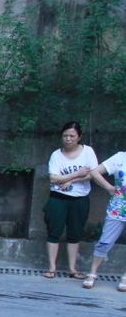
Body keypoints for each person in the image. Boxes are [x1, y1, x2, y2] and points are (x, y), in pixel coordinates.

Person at [42, 122, 97, 280]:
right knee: (53, 232)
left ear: (79, 137)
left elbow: (93, 174)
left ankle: (72, 268)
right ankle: (52, 267)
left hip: (80, 199)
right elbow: (53, 179)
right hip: (58, 198)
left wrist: (71, 181)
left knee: (75, 233)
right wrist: (76, 174)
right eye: (65, 135)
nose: (68, 139)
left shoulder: (88, 151)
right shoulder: (56, 155)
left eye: (72, 136)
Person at [82, 151, 126, 290]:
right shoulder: (120, 157)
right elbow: (95, 172)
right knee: (104, 242)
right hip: (118, 209)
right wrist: (109, 188)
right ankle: (92, 273)